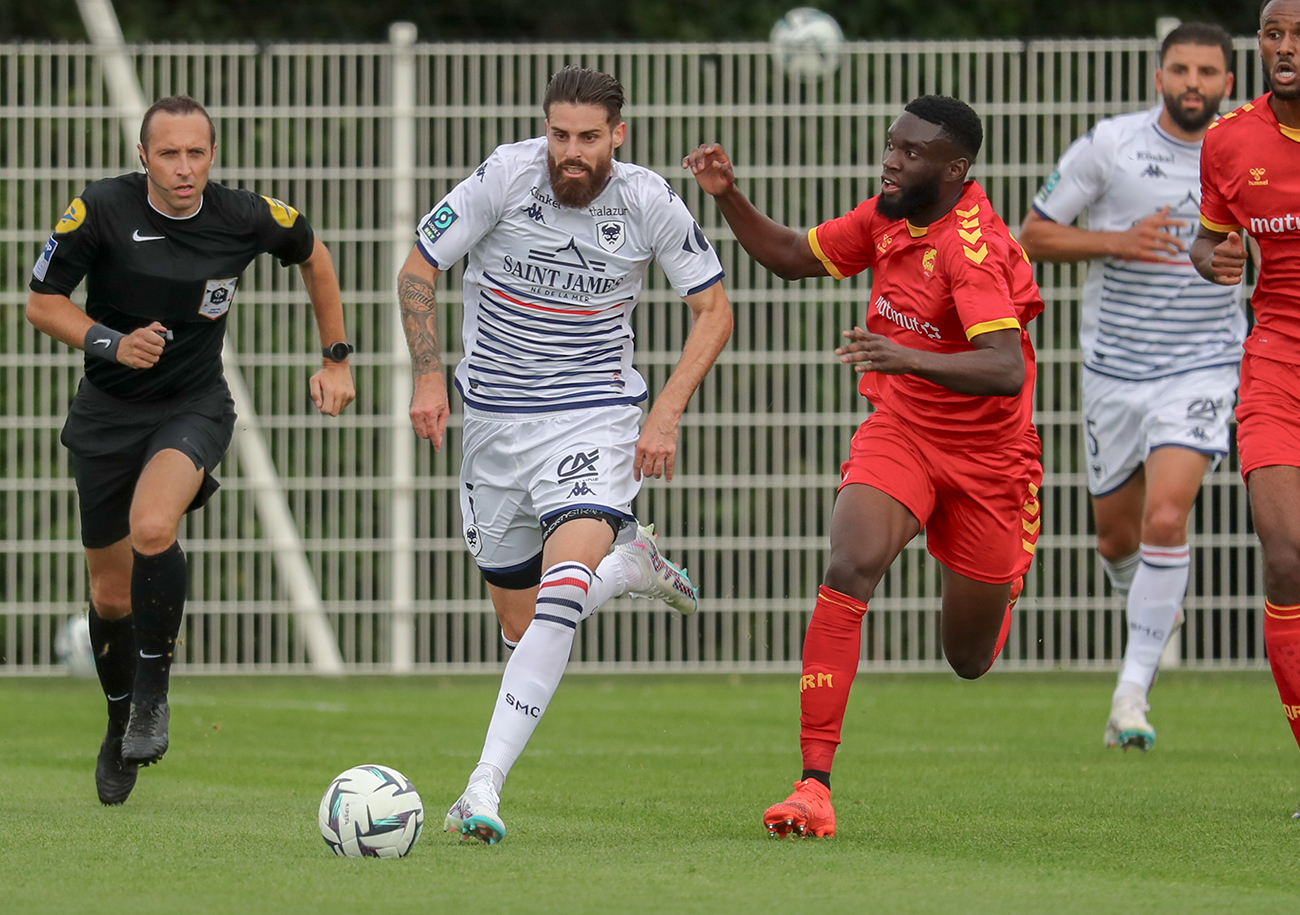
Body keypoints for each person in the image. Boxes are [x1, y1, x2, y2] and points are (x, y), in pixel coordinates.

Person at [685, 95, 1043, 838]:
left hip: (989, 461)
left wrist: (906, 354)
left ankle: (1003, 576)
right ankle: (813, 784)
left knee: (968, 660)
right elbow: (789, 257)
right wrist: (730, 198)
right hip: (903, 429)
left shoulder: (970, 247)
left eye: (911, 154)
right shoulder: (887, 215)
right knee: (849, 563)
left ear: (955, 169)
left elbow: (1006, 368)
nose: (892, 161)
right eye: (891, 145)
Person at [397, 66, 733, 845]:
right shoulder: (505, 176)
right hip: (491, 423)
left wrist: (665, 414)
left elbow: (713, 309)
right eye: (559, 135)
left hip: (594, 418)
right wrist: (426, 373)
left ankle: (481, 786)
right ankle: (632, 567)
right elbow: (420, 267)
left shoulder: (649, 200)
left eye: (588, 137)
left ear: (618, 134)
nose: (570, 152)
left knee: (560, 590)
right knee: (523, 627)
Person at [26, 96, 356, 806]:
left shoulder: (244, 216)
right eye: (168, 153)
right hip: (106, 413)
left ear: (213, 155)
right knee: (109, 594)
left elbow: (315, 256)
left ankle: (153, 695)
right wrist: (111, 342)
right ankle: (119, 722)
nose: (183, 167)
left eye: (196, 153)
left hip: (193, 406)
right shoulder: (100, 212)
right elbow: (41, 302)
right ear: (143, 156)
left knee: (154, 526)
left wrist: (336, 357)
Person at [1017, 23, 1241, 753]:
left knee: (1167, 519)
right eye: (1180, 68)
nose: (1193, 83)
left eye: (1208, 71)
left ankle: (1131, 693)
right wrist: (1118, 240)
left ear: (1228, 84)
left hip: (1207, 363)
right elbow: (1033, 235)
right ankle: (1148, 602)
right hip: (1115, 370)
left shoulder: (1248, 152)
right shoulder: (1110, 144)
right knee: (1117, 537)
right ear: (1158, 77)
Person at [1192, 0, 1300, 819]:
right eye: (1273, 34)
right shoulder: (1230, 141)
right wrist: (1215, 258)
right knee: (1286, 554)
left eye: (1299, 34)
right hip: (1276, 364)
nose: (1286, 48)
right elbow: (1207, 238)